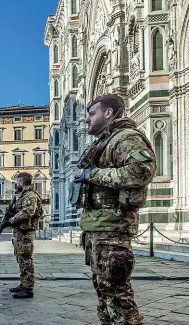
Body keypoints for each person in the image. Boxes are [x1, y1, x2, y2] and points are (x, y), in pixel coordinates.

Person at [73, 94, 155, 325]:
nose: (87, 120)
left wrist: (93, 174)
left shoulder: (126, 138)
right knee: (104, 290)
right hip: (99, 229)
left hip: (112, 228)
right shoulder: (104, 141)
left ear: (108, 113)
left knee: (118, 295)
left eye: (91, 114)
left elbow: (142, 172)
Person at [1, 172, 42, 299]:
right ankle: (23, 284)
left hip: (25, 232)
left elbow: (28, 212)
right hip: (19, 231)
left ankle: (28, 288)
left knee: (26, 260)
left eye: (17, 181)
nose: (16, 184)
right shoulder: (21, 195)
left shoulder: (31, 195)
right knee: (21, 259)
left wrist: (10, 221)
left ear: (21, 182)